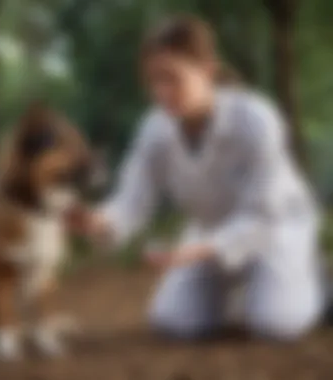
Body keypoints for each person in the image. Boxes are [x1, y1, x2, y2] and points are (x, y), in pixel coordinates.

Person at [81, 15, 324, 341]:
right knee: (174, 321)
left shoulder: (255, 120)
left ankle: (314, 283)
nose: (162, 92)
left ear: (207, 70)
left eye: (172, 78)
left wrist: (195, 252)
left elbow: (262, 216)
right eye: (153, 81)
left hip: (275, 228)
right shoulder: (155, 128)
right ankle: (250, 294)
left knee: (275, 324)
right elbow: (132, 200)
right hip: (207, 231)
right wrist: (100, 221)